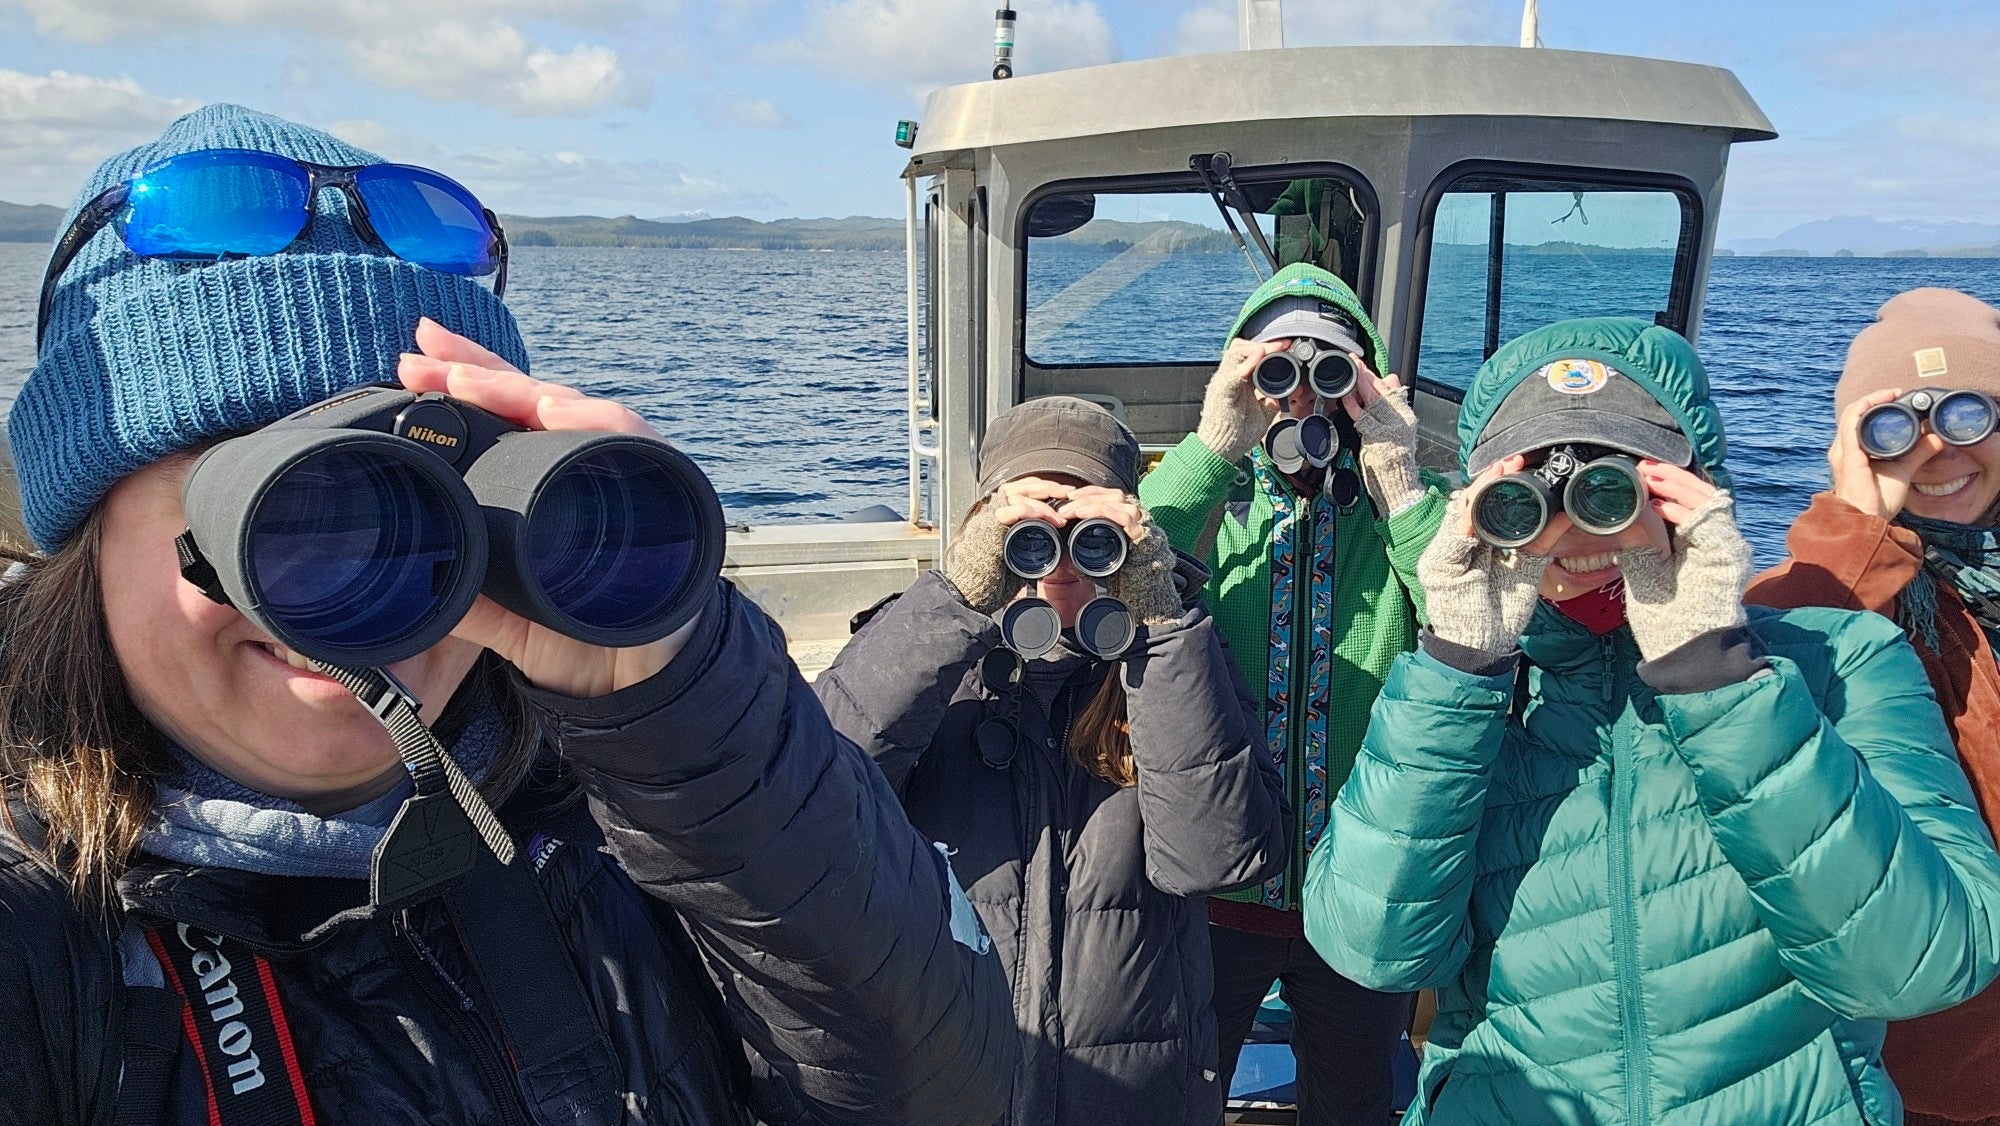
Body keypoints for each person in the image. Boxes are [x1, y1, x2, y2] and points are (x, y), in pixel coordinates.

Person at [0, 104, 1014, 1126]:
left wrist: (689, 718)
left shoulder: (608, 818)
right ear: (84, 539)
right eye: (279, 505)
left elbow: (947, 1093)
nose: (365, 588)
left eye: (424, 490)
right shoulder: (37, 928)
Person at [1304, 316, 2000, 1125]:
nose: (1576, 531)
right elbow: (1375, 950)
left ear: (1696, 485)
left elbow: (1918, 969)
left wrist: (1714, 679)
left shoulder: (1841, 661)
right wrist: (1460, 663)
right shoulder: (1465, 692)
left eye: (1616, 490)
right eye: (1529, 501)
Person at [815, 395, 1288, 1125]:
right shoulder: (921, 657)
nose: (1061, 556)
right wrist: (957, 604)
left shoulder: (1176, 657)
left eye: (1090, 530)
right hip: (949, 1087)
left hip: (1130, 1095)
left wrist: (1158, 622)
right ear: (983, 529)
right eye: (1029, 529)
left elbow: (1217, 859)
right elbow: (811, 804)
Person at [1137, 263, 1447, 1122]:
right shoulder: (1207, 502)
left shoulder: (1406, 515)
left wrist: (1399, 479)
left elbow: (1473, 619)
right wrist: (1212, 448)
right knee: (1179, 1096)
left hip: (1357, 888)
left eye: (1329, 379)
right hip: (1216, 890)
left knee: (1353, 1103)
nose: (1300, 401)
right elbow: (1115, 572)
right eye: (1276, 376)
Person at [1749, 288, 2000, 1126]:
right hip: (1932, 1056)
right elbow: (1760, 690)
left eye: (1970, 413)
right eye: (1895, 427)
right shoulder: (1855, 589)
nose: (1935, 450)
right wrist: (1858, 518)